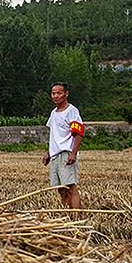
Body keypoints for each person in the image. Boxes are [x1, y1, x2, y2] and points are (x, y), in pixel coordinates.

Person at [43, 81, 84, 210]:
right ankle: (65, 214)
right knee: (61, 188)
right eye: (53, 93)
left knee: (71, 187)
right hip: (55, 155)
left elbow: (79, 133)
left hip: (66, 153)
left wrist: (73, 153)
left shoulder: (72, 111)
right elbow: (54, 135)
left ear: (66, 94)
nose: (55, 96)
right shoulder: (53, 113)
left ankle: (76, 216)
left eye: (59, 93)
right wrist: (49, 153)